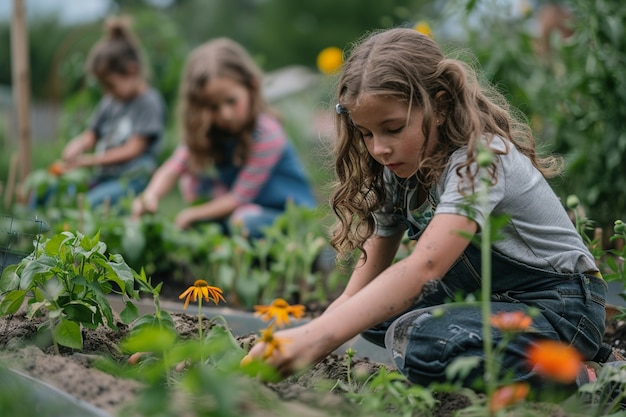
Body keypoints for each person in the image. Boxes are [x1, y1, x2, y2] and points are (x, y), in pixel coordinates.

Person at [244, 28, 623, 391]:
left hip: (560, 308)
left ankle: (584, 379)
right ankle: (581, 360)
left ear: (439, 106)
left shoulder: (480, 160)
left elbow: (425, 267)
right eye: (367, 133)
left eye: (392, 128)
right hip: (490, 305)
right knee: (374, 315)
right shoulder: (396, 176)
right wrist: (304, 341)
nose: (378, 149)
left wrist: (312, 339)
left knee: (422, 341)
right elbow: (357, 292)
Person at [131, 38, 316, 239]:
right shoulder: (210, 131)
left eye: (231, 101)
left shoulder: (267, 134)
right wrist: (150, 195)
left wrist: (192, 214)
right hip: (245, 209)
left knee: (242, 221)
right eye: (213, 107)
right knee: (191, 180)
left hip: (287, 215)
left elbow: (238, 198)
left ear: (251, 87)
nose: (225, 114)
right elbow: (174, 167)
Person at [42, 15, 166, 209]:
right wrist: (79, 144)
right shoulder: (110, 102)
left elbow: (132, 149)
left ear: (132, 71)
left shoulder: (149, 102)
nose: (106, 92)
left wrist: (88, 161)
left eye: (110, 84)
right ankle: (33, 230)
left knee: (90, 204)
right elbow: (92, 134)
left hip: (132, 179)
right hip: (104, 176)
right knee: (48, 188)